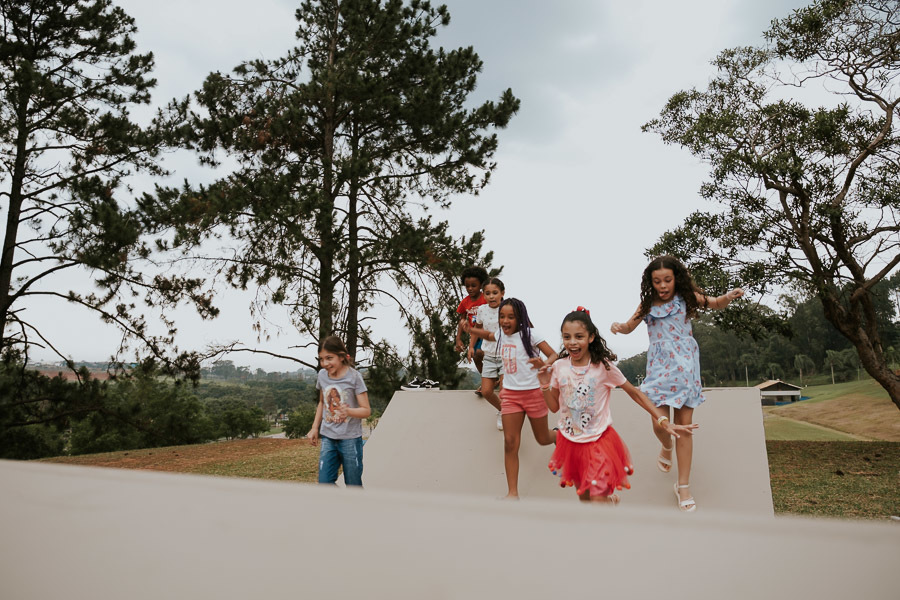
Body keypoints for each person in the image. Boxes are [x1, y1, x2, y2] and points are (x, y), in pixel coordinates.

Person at [610, 255, 743, 511]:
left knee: (684, 428)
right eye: (657, 281)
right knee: (658, 422)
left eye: (667, 280)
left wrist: (728, 296)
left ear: (676, 279)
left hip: (686, 368)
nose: (663, 285)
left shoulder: (686, 297)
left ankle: (683, 486)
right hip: (659, 369)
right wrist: (618, 327)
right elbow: (629, 326)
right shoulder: (647, 304)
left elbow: (715, 303)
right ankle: (666, 445)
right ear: (650, 282)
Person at [533, 308, 697, 505]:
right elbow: (553, 407)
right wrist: (544, 385)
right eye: (567, 337)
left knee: (596, 500)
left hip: (599, 442)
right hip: (572, 444)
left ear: (591, 337)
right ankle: (609, 502)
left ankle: (604, 503)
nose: (572, 342)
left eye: (579, 337)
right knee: (584, 498)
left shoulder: (603, 367)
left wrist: (662, 420)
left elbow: (635, 393)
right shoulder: (560, 367)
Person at [495, 297, 558, 499]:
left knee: (543, 439)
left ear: (520, 318)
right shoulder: (499, 334)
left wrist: (543, 364)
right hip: (510, 395)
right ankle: (512, 493)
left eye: (510, 317)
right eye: (502, 316)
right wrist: (471, 331)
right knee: (510, 442)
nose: (505, 321)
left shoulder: (531, 334)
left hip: (533, 394)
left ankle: (558, 436)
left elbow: (553, 355)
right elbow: (488, 336)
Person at [307, 336, 371, 486]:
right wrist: (315, 427)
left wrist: (348, 412)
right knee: (324, 483)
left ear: (341, 356)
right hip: (328, 437)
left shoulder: (354, 377)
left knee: (353, 485)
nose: (325, 363)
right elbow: (322, 402)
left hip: (350, 439)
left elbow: (366, 411)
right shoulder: (322, 375)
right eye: (321, 359)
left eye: (329, 358)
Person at [465, 277, 505, 430]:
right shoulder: (482, 310)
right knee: (487, 391)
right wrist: (471, 347)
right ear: (484, 295)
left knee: (504, 390)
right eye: (488, 293)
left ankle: (506, 414)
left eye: (495, 293)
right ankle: (502, 410)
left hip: (506, 355)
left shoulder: (508, 308)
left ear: (502, 293)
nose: (491, 296)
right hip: (489, 355)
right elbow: (477, 328)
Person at [455, 266, 489, 394]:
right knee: (475, 355)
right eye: (467, 286)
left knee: (481, 353)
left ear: (481, 285)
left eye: (474, 285)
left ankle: (494, 377)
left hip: (487, 333)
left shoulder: (485, 298)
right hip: (475, 335)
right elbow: (462, 320)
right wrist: (458, 339)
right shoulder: (465, 302)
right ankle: (487, 380)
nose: (470, 288)